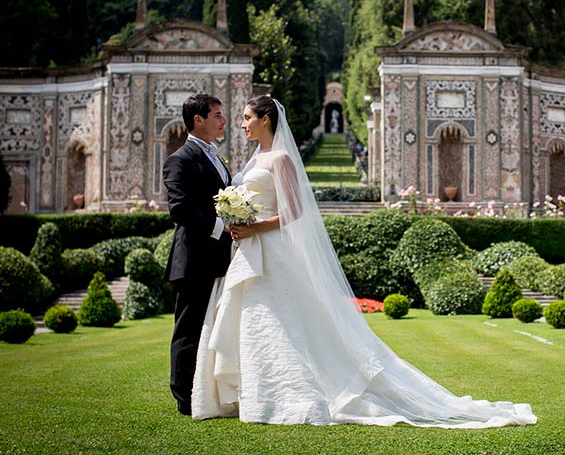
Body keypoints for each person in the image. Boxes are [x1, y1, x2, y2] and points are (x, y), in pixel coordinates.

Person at [192, 95, 536, 428]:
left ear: (266, 119)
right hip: (249, 252)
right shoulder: (253, 159)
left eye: (248, 118)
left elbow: (296, 210)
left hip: (272, 248)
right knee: (256, 320)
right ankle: (255, 395)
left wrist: (255, 227)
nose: (242, 124)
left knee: (283, 319)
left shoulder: (280, 158)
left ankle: (291, 396)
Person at [163, 93, 233, 416]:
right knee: (188, 330)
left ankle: (204, 391)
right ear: (198, 121)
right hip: (192, 260)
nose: (223, 120)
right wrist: (222, 227)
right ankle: (183, 396)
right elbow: (180, 209)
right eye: (217, 115)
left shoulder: (217, 157)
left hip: (219, 259)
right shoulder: (180, 159)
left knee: (211, 328)